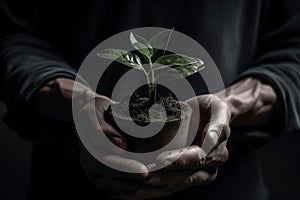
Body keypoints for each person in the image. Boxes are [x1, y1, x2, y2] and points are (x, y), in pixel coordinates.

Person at [0, 0, 299, 199]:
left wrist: (229, 109)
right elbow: (11, 31)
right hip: (67, 183)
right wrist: (76, 102)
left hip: (232, 186)